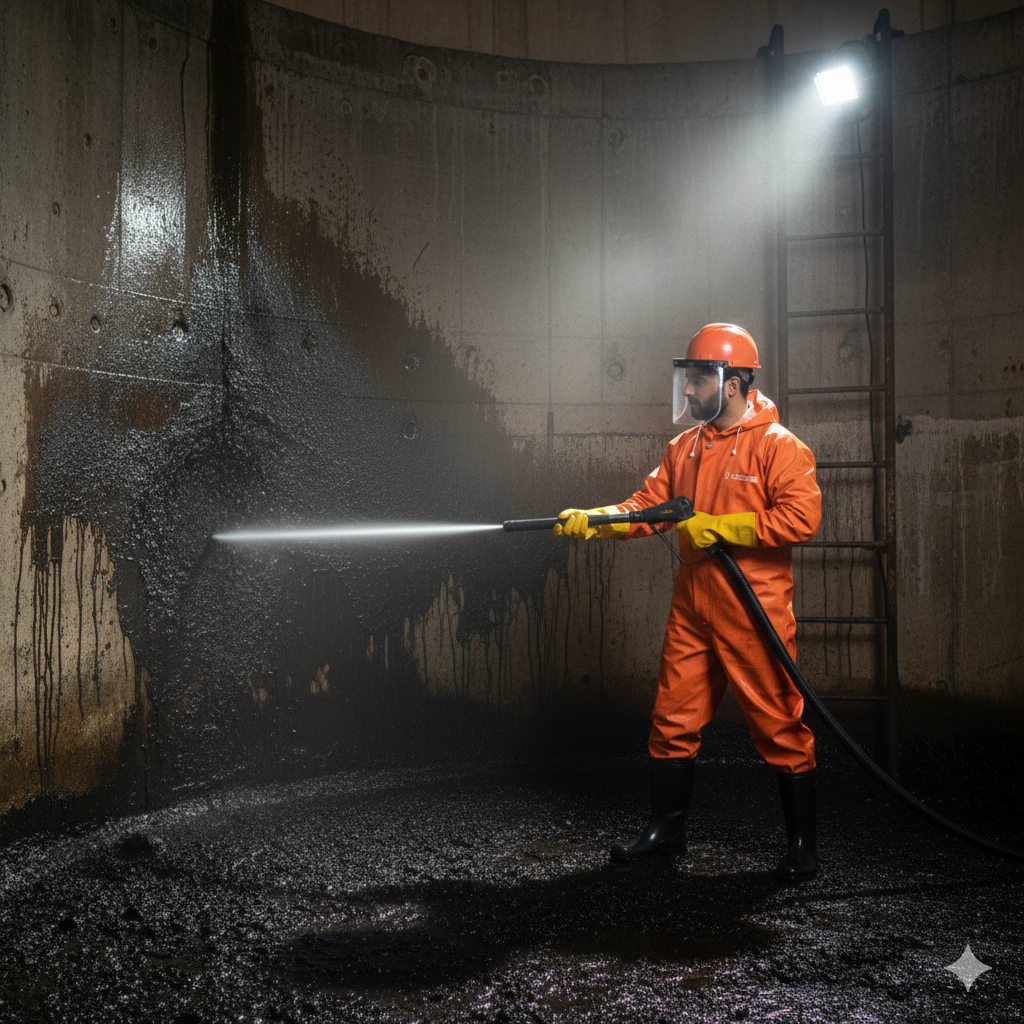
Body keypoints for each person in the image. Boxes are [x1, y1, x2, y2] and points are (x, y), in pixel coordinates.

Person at [554, 323, 822, 883]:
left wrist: (719, 527)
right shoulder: (686, 447)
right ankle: (666, 831)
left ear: (731, 384)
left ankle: (802, 847)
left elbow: (802, 519)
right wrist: (599, 521)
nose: (688, 392)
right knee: (672, 720)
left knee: (780, 726)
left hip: (753, 612)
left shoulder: (781, 447)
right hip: (693, 610)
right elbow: (647, 506)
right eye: (688, 378)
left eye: (698, 379)